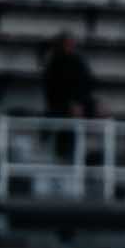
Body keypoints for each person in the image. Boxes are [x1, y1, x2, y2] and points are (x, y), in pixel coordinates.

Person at [41, 31, 101, 160]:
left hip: (80, 103)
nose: (71, 47)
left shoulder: (78, 62)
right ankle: (64, 155)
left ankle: (90, 153)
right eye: (68, 44)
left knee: (96, 109)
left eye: (72, 44)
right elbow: (53, 90)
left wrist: (83, 102)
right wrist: (71, 103)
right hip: (60, 105)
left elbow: (87, 83)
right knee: (66, 123)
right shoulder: (54, 63)